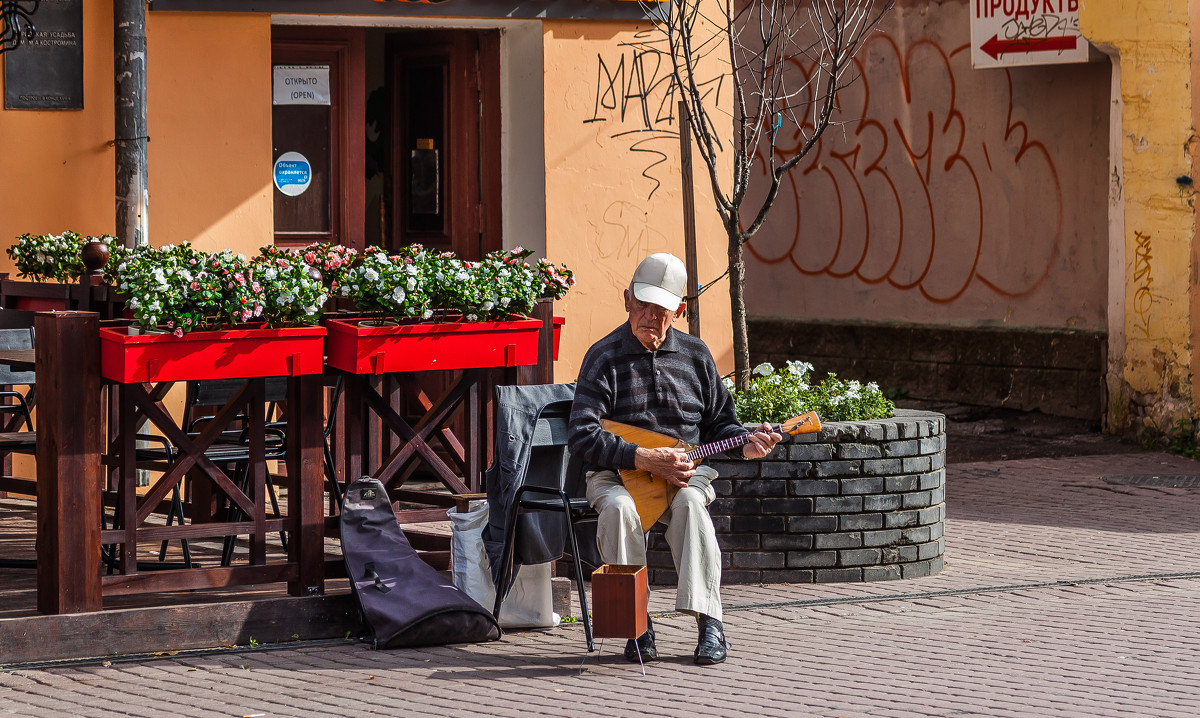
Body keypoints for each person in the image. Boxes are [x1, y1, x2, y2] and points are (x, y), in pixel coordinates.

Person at [566, 252, 782, 665]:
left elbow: (722, 425)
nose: (650, 315)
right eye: (642, 303)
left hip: (685, 474)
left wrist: (746, 443)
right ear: (626, 298)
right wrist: (641, 458)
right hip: (616, 473)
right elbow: (582, 435)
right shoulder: (603, 356)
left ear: (678, 310)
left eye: (661, 308)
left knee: (690, 506)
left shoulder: (697, 356)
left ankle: (711, 624)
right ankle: (637, 625)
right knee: (617, 508)